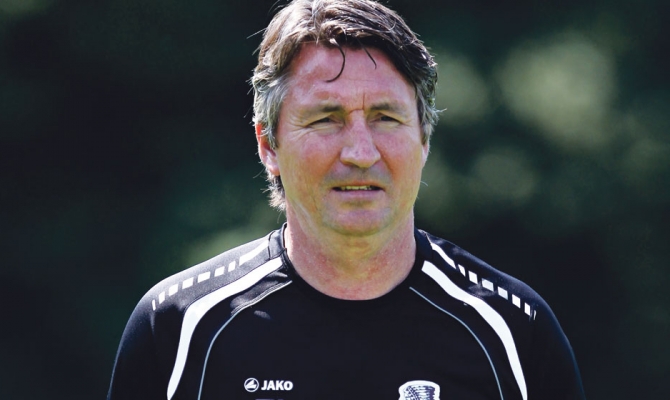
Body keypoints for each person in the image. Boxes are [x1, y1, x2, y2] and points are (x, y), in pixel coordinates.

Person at [107, 0, 586, 399]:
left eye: (385, 118)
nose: (360, 153)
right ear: (269, 145)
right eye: (325, 119)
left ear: (424, 139)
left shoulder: (515, 332)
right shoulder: (177, 329)